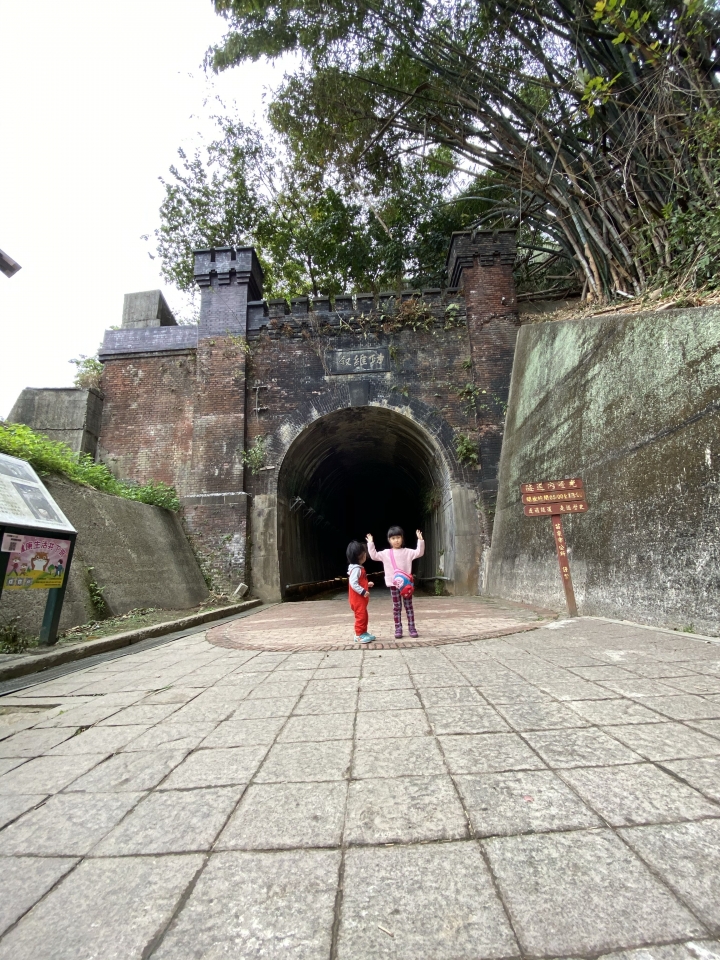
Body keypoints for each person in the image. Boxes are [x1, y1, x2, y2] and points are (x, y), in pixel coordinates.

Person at [366, 526, 424, 639]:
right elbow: (374, 556)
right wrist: (370, 543)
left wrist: (420, 540)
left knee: (409, 606)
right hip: (393, 584)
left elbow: (419, 553)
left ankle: (412, 628)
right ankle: (398, 628)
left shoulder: (407, 552)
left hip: (406, 585)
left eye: (398, 537)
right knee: (397, 607)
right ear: (389, 540)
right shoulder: (386, 553)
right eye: (393, 538)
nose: (396, 540)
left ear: (402, 538)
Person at [346, 540, 375, 644]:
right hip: (358, 599)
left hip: (361, 600)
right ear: (360, 556)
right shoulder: (356, 569)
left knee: (364, 616)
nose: (365, 555)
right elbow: (353, 583)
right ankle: (358, 635)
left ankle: (364, 632)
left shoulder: (358, 568)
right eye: (364, 554)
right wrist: (363, 591)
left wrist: (367, 585)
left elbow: (359, 582)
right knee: (361, 616)